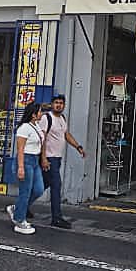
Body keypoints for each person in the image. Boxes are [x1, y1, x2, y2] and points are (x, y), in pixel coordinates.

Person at [39, 94, 85, 229]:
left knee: (42, 185)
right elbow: (42, 139)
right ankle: (56, 218)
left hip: (57, 158)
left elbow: (66, 135)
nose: (59, 105)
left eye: (61, 103)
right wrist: (44, 158)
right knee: (56, 186)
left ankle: (21, 207)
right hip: (49, 158)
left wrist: (78, 147)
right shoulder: (46, 118)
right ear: (52, 104)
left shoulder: (62, 119)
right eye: (56, 102)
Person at [7, 102, 45, 235]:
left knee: (39, 189)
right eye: (40, 111)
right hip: (26, 160)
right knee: (25, 191)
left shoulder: (36, 126)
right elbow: (20, 149)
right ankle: (19, 220)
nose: (42, 113)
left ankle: (17, 209)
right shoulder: (24, 128)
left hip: (35, 160)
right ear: (34, 114)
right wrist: (21, 167)